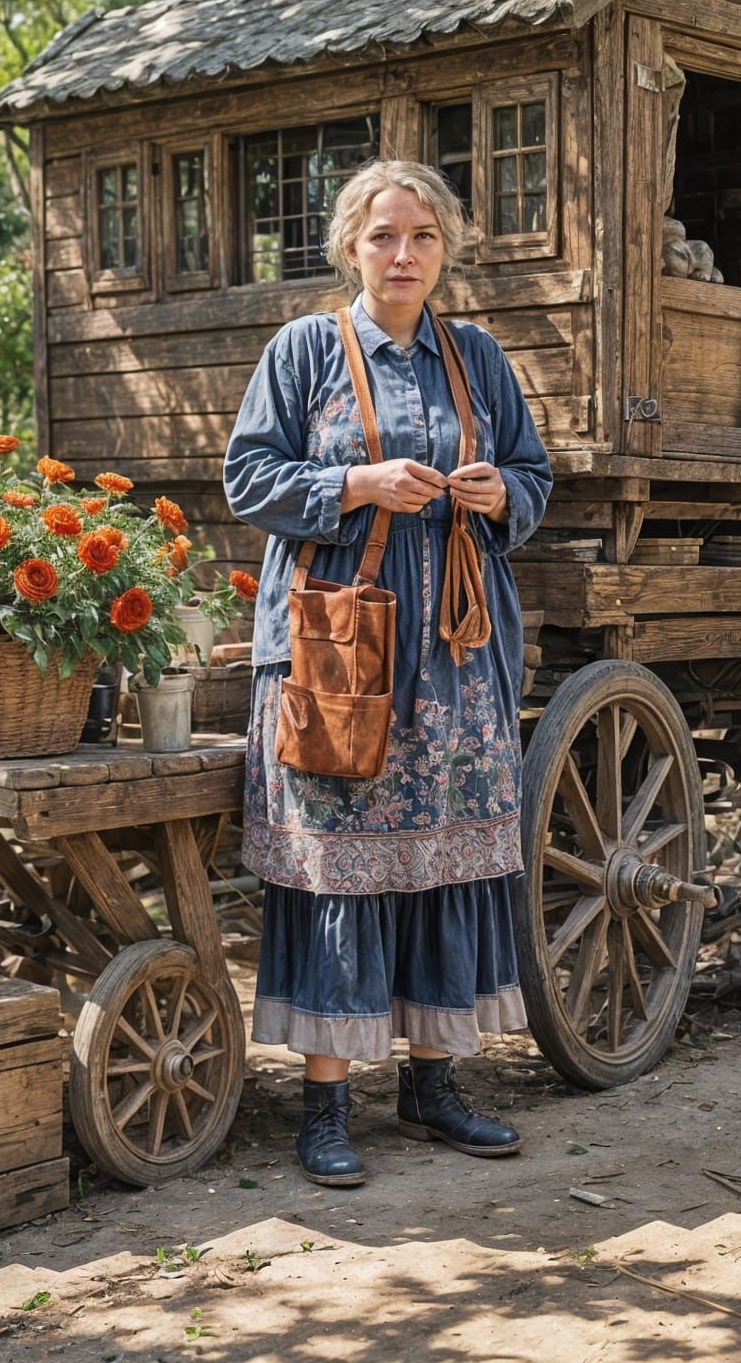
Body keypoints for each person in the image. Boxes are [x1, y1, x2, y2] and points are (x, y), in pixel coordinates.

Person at [223, 159, 553, 1186]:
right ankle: (325, 1107)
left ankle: (433, 1085)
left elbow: (538, 476)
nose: (403, 254)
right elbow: (246, 477)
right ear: (350, 248)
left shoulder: (479, 358)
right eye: (384, 236)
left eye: (421, 237)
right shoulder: (304, 350)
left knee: (447, 861)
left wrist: (502, 494)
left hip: (457, 664)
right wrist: (355, 481)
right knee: (340, 864)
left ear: (444, 250)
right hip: (339, 657)